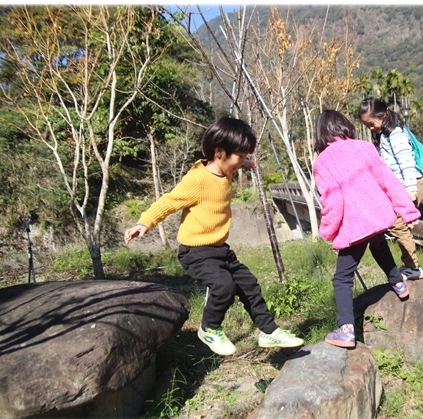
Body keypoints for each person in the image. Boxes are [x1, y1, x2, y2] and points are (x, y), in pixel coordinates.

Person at [124, 116, 304, 356]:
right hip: (196, 252)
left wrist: (244, 163)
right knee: (223, 286)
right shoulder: (198, 179)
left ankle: (269, 331)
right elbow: (169, 201)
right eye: (240, 156)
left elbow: (234, 163)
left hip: (219, 249)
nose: (241, 162)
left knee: (248, 283)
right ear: (220, 152)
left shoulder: (226, 168)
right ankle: (209, 328)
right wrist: (144, 222)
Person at [313, 110, 421, 349]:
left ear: (320, 133)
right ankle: (398, 283)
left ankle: (346, 330)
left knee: (342, 278)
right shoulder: (364, 147)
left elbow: (332, 201)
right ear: (345, 126)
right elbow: (388, 180)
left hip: (356, 224)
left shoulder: (322, 161)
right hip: (379, 216)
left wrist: (328, 232)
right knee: (379, 245)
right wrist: (408, 211)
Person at [359, 97, 423, 281]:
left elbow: (406, 162)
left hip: (408, 186)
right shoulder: (386, 135)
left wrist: (411, 190)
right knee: (400, 226)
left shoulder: (395, 134)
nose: (371, 128)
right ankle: (410, 265)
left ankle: (413, 267)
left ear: (382, 115)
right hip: (402, 187)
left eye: (372, 123)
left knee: (398, 225)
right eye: (367, 126)